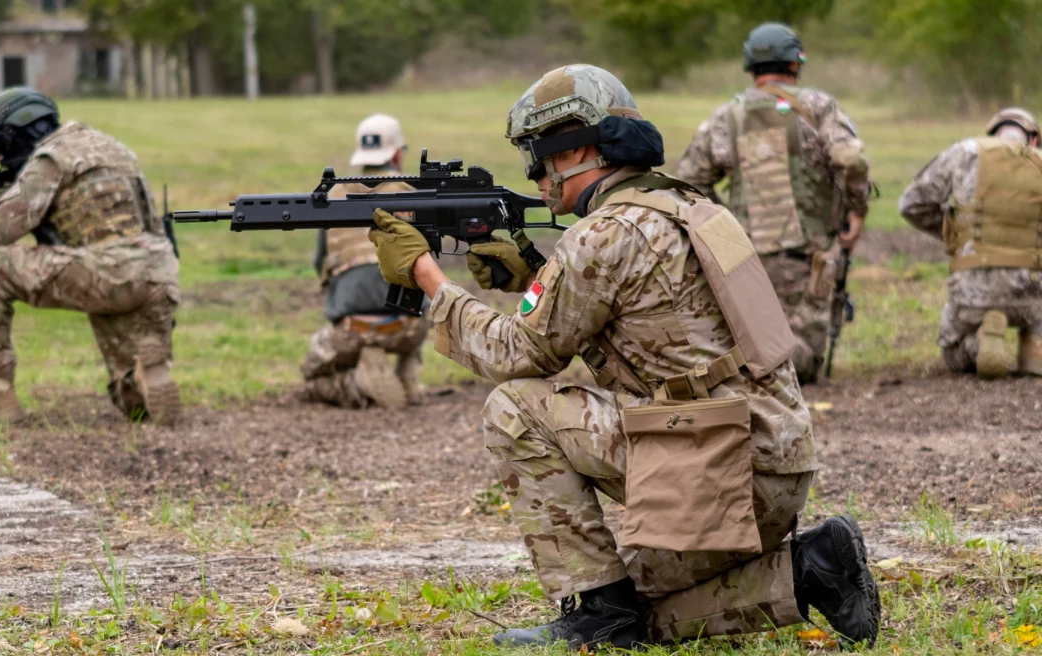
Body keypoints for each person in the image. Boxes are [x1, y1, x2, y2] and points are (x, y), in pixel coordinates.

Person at [365, 64, 880, 650]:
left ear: (576, 148)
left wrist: (426, 277)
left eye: (538, 155)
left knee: (515, 408)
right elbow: (656, 320)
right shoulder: (692, 206)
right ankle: (813, 566)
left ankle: (598, 611)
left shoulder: (604, 235)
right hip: (771, 463)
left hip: (720, 470)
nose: (535, 174)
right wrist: (536, 277)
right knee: (636, 611)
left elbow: (517, 354)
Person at [0, 87, 181, 425]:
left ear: (17, 133)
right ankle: (147, 376)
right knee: (131, 403)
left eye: (0, 147)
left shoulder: (51, 158)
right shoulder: (112, 147)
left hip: (108, 271)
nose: (2, 158)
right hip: (158, 273)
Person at [678, 22, 871, 384]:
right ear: (795, 64)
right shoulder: (818, 107)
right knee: (803, 364)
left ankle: (746, 358)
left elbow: (688, 181)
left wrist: (725, 234)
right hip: (808, 258)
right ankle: (766, 361)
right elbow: (851, 160)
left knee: (763, 343)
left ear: (751, 67)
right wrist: (856, 209)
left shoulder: (726, 117)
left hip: (742, 259)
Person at [898, 108, 1042, 379]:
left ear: (992, 135)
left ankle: (979, 340)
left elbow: (911, 204)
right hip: (1034, 292)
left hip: (975, 292)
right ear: (1033, 140)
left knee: (952, 350)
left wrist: (959, 235)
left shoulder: (965, 152)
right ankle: (1034, 343)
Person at [301, 113, 430, 409]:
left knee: (311, 377)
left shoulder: (333, 197)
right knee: (419, 292)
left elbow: (321, 264)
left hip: (352, 329)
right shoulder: (412, 195)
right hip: (407, 329)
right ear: (396, 154)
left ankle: (357, 382)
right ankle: (407, 375)